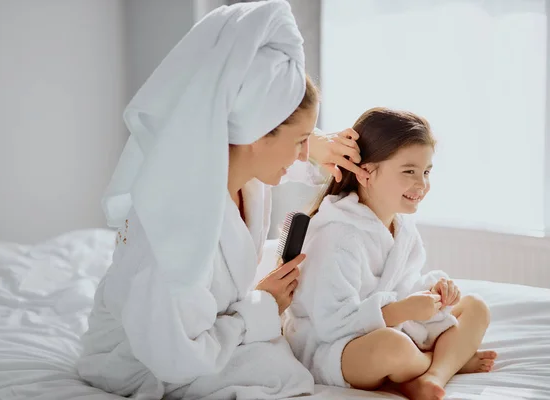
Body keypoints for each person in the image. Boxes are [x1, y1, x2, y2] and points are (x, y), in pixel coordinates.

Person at [77, 2, 366, 399]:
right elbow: (178, 358)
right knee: (284, 376)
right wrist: (261, 306)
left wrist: (315, 145)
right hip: (149, 360)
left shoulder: (236, 172)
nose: (305, 154)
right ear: (255, 133)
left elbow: (282, 153)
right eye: (300, 141)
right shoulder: (176, 226)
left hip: (209, 328)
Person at [284, 108, 497, 400]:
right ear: (367, 173)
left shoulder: (402, 226)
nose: (421, 184)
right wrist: (404, 311)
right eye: (409, 171)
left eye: (426, 171)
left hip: (392, 327)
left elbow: (402, 286)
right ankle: (445, 362)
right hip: (334, 349)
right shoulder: (337, 235)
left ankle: (432, 377)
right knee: (391, 346)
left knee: (476, 307)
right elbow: (332, 325)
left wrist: (435, 291)